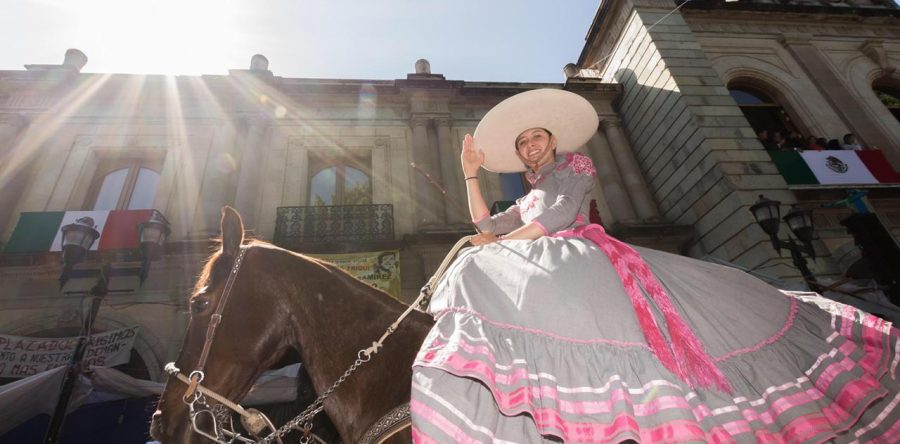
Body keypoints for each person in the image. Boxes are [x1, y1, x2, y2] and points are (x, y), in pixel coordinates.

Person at [410, 89, 899, 443]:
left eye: (536, 137)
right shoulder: (530, 191)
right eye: (523, 144)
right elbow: (485, 224)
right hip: (543, 251)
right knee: (477, 264)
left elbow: (557, 218)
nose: (530, 146)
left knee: (484, 263)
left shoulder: (575, 167)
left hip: (579, 249)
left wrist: (499, 244)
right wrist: (471, 174)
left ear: (552, 140)